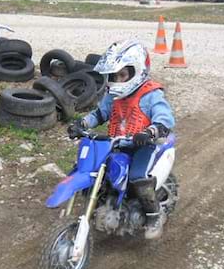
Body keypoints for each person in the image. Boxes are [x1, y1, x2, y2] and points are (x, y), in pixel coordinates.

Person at [67, 38, 175, 240]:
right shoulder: (113, 95)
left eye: (122, 74)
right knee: (95, 168)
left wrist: (150, 132)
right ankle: (103, 202)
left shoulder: (151, 94)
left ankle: (153, 216)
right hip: (117, 142)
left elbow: (164, 117)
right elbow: (100, 113)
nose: (116, 80)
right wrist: (82, 124)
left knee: (137, 177)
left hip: (143, 145)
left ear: (137, 70)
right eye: (113, 75)